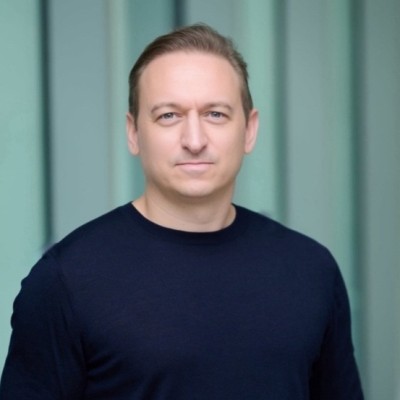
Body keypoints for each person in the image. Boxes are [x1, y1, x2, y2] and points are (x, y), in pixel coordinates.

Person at [0, 24, 363, 399]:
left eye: (215, 114)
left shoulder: (311, 270)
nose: (194, 140)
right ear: (134, 133)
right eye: (169, 116)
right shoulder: (66, 281)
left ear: (249, 129)